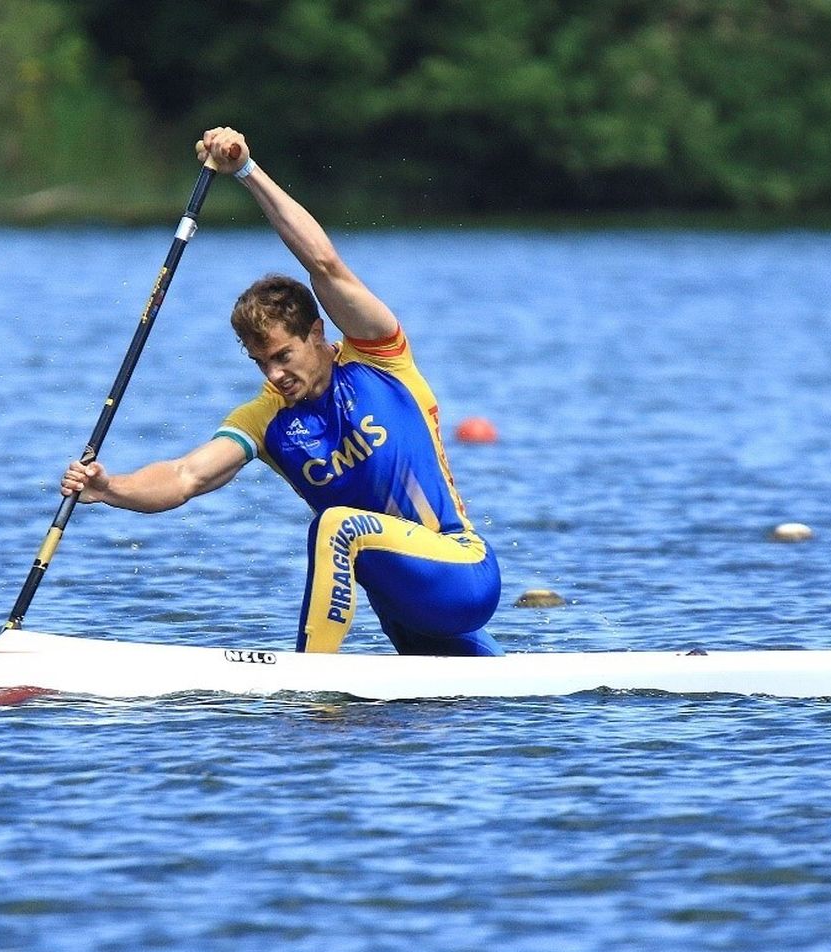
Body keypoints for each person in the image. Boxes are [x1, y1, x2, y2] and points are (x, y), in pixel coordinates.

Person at [61, 127, 502, 657]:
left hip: (462, 571)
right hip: (407, 612)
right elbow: (183, 477)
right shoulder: (267, 420)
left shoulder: (379, 358)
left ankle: (309, 676)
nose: (272, 375)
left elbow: (324, 265)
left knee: (335, 524)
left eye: (282, 356)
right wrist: (110, 489)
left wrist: (246, 172)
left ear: (317, 334)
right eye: (260, 362)